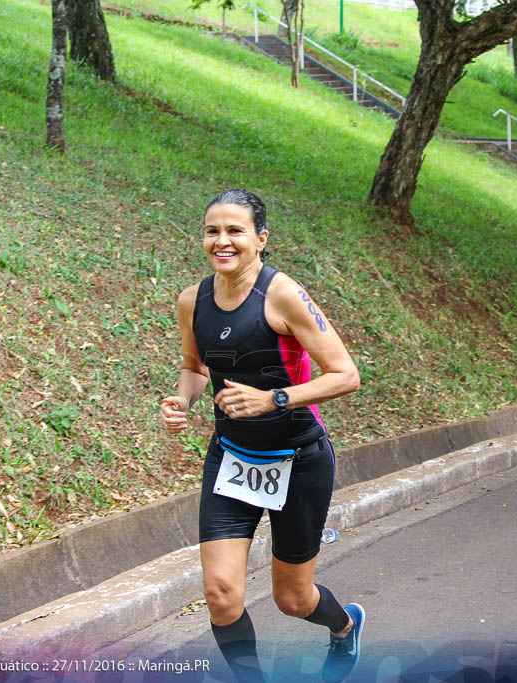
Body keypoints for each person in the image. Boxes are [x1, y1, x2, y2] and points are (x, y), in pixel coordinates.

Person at [160, 189, 364, 682]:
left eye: (236, 231)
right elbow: (194, 368)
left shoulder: (283, 296)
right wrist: (181, 400)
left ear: (261, 239)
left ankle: (343, 626)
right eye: (213, 230)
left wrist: (273, 398)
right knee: (220, 594)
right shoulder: (193, 301)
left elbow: (345, 374)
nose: (222, 241)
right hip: (231, 457)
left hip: (298, 459)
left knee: (293, 599)